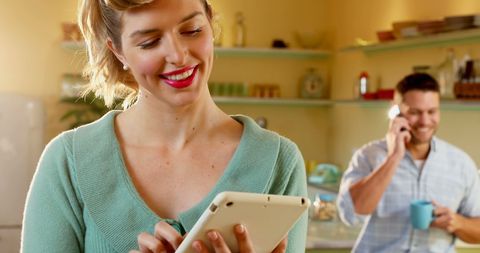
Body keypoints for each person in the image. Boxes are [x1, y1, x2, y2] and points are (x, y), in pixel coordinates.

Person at [21, 0, 308, 252]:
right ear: (118, 50)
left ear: (210, 20)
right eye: (149, 42)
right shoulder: (68, 163)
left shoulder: (278, 161)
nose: (179, 56)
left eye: (192, 30)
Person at [337, 73, 480, 252]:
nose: (425, 121)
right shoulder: (369, 156)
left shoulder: (461, 164)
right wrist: (394, 157)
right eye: (415, 112)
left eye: (432, 111)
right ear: (395, 111)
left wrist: (458, 223)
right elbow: (350, 214)